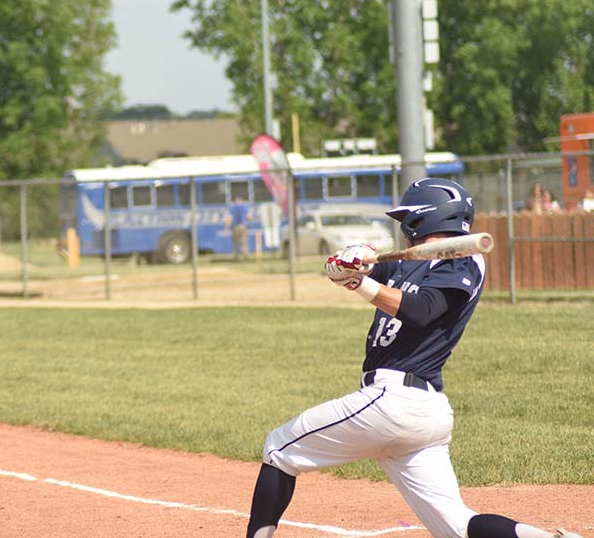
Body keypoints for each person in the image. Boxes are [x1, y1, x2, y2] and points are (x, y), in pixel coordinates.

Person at [244, 178, 582, 538]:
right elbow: (375, 269)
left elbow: (421, 311)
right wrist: (351, 261)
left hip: (395, 401)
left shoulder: (465, 260)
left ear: (426, 217)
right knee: (457, 526)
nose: (405, 225)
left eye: (410, 217)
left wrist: (357, 284)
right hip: (420, 416)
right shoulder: (415, 262)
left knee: (279, 448)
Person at [227, 196, 252, 260]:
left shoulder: (233, 208)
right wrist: (248, 223)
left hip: (235, 227)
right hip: (242, 226)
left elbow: (229, 218)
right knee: (244, 241)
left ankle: (235, 256)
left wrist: (227, 227)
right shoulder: (244, 207)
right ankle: (245, 255)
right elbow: (249, 217)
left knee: (235, 242)